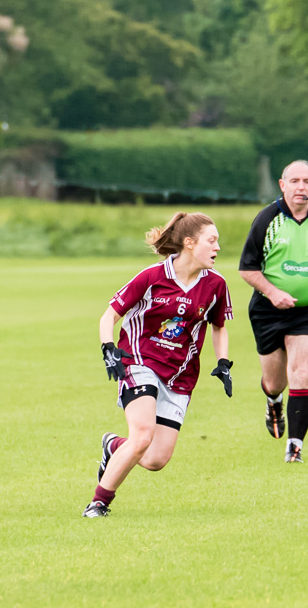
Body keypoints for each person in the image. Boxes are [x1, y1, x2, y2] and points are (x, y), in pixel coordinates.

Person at [84, 212, 233, 517]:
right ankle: (99, 503)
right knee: (142, 436)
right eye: (212, 240)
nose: (218, 247)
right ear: (190, 243)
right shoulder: (152, 277)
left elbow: (219, 326)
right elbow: (109, 315)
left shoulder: (216, 284)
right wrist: (108, 348)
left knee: (154, 459)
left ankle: (114, 446)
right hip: (139, 361)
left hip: (180, 374)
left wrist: (223, 362)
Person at [239, 160, 308, 463]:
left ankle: (295, 446)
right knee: (275, 382)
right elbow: (246, 269)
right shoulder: (266, 219)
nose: (302, 187)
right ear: (282, 184)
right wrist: (273, 293)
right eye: (295, 181)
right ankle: (273, 402)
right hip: (268, 310)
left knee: (301, 373)